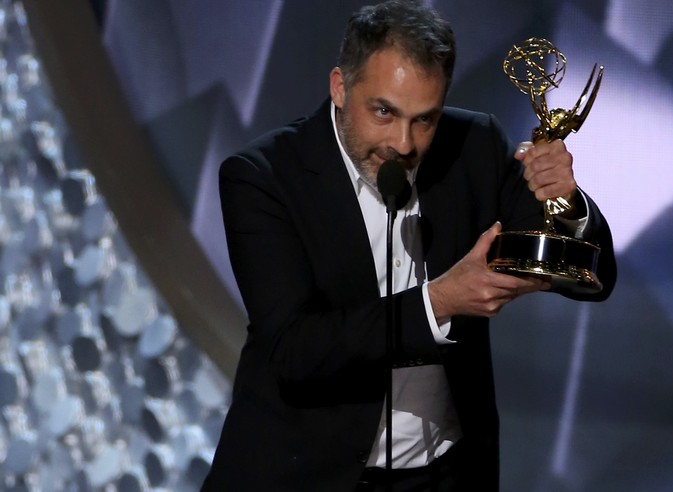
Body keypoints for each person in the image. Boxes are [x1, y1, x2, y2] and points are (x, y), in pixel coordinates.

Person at [201, 0, 616, 490]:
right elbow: (297, 352)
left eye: (425, 119)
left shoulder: (474, 146)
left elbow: (593, 279)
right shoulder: (264, 178)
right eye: (383, 112)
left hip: (443, 473)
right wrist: (439, 301)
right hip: (309, 473)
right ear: (340, 86)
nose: (403, 142)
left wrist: (564, 199)